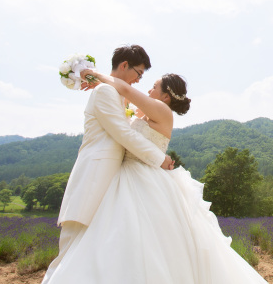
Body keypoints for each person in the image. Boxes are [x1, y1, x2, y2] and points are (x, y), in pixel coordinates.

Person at [43, 68, 268, 283]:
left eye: (154, 86)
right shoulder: (146, 113)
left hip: (144, 177)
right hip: (127, 175)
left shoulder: (162, 110)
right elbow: (122, 104)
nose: (149, 90)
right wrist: (101, 86)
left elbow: (126, 90)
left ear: (166, 96)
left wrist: (96, 74)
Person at [42, 45, 175, 283]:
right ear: (124, 65)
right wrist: (159, 158)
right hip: (93, 177)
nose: (139, 80)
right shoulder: (105, 92)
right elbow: (123, 133)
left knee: (94, 258)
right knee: (70, 256)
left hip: (111, 183)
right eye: (138, 73)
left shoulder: (114, 93)